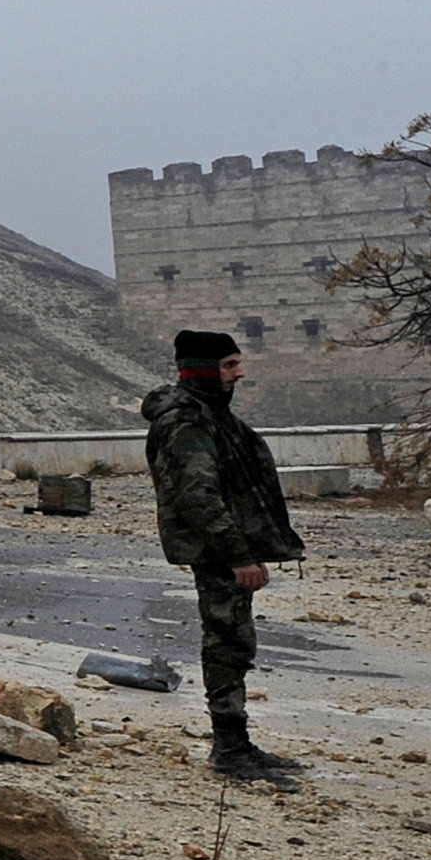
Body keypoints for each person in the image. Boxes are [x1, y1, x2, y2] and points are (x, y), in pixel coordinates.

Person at [142, 327, 307, 787]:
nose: (239, 373)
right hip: (218, 552)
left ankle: (237, 743)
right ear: (203, 370)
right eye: (230, 365)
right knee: (227, 643)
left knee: (234, 641)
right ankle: (230, 748)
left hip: (226, 548)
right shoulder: (188, 423)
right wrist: (239, 557)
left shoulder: (211, 415)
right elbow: (200, 499)